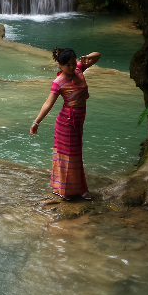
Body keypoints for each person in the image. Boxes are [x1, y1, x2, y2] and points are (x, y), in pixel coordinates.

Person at [30, 48, 101, 201]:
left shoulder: (78, 69)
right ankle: (65, 190)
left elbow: (97, 56)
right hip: (66, 123)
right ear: (60, 65)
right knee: (67, 156)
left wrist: (87, 56)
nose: (71, 67)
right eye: (67, 65)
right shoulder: (58, 82)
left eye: (73, 62)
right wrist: (36, 122)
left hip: (78, 121)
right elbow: (48, 104)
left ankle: (78, 188)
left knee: (76, 155)